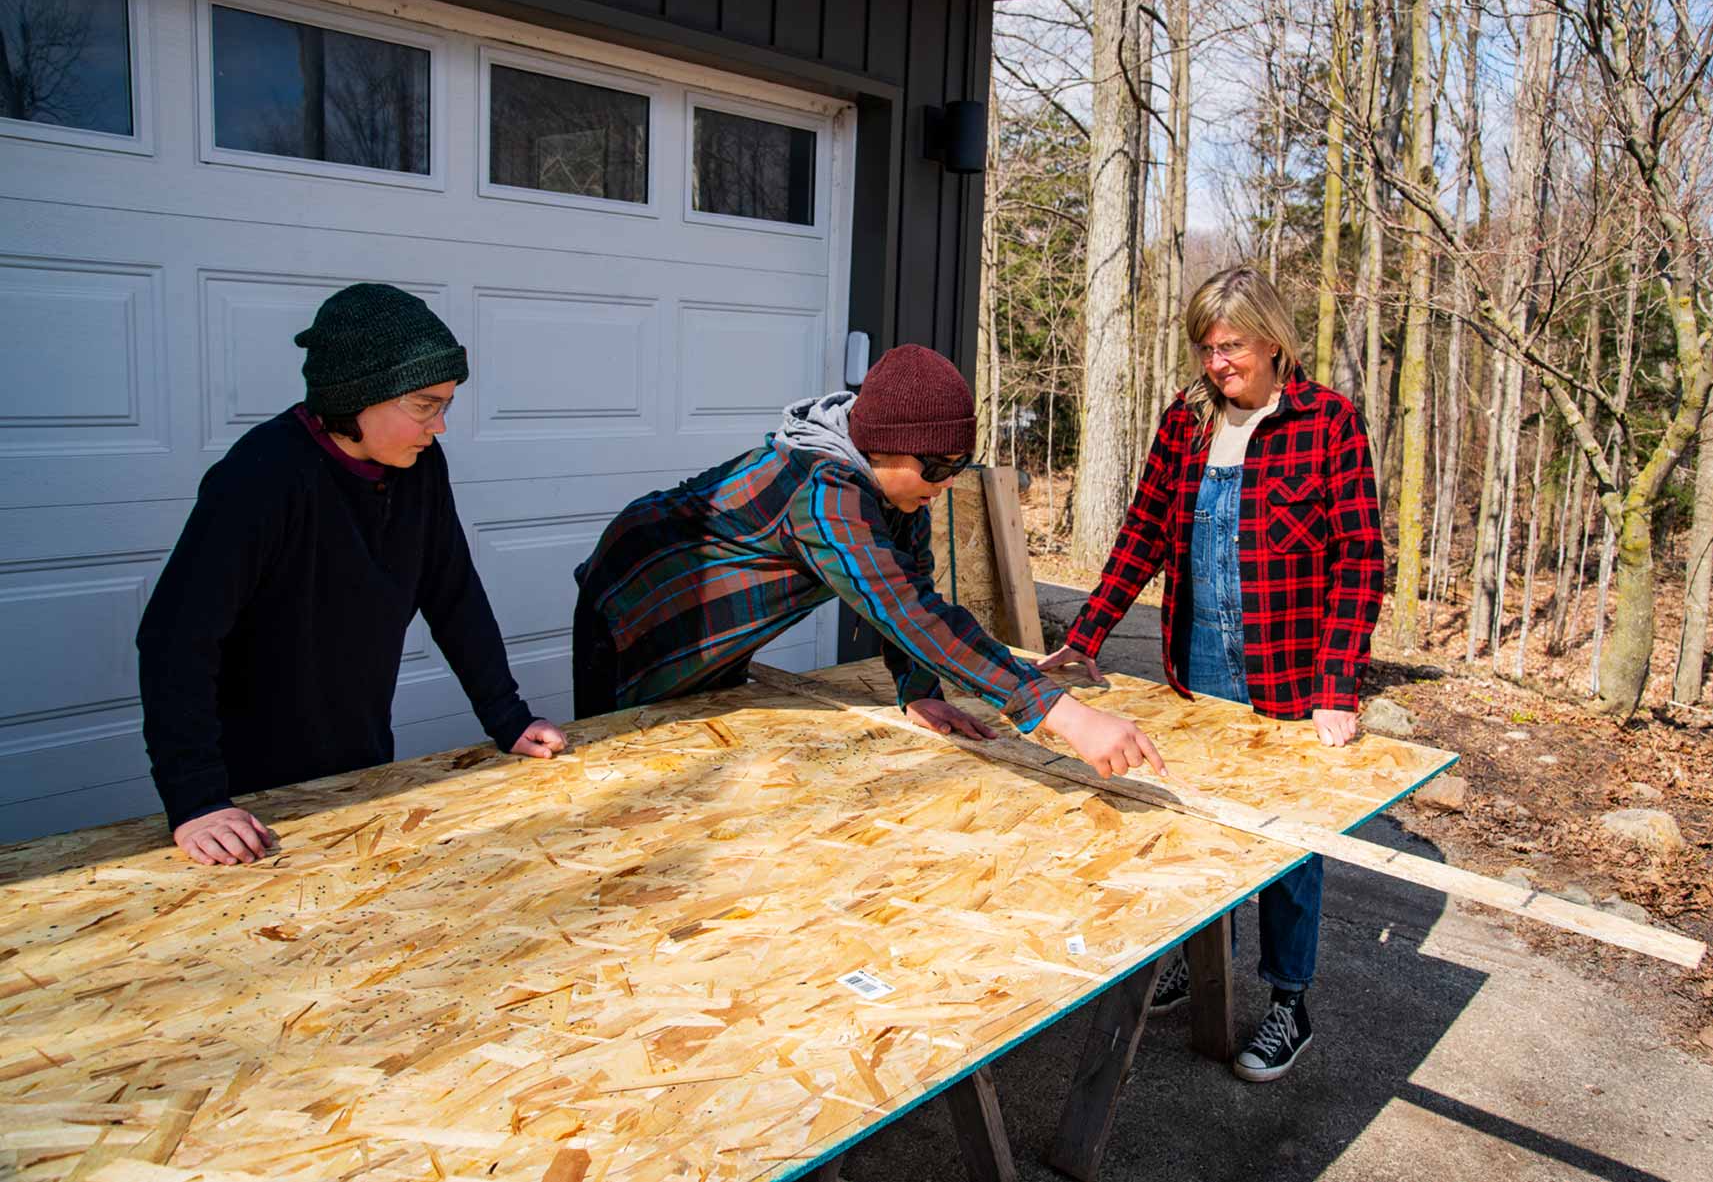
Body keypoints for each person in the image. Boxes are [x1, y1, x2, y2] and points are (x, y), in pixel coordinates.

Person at [1038, 268, 1384, 1082]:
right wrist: (1085, 636)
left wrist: (1337, 686)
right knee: (1196, 819)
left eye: (1231, 346)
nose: (1216, 361)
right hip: (1198, 665)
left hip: (1290, 674)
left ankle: (1287, 1003)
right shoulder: (1186, 422)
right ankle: (1202, 964)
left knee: (1290, 845)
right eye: (1206, 346)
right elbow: (1140, 536)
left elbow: (1361, 561)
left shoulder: (1328, 423)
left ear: (1271, 341)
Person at [572, 344, 1166, 778]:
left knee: (695, 756)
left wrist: (917, 688)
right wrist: (1063, 713)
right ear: (879, 445)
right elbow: (905, 610)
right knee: (622, 773)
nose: (946, 482)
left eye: (958, 465)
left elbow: (911, 584)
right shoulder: (822, 492)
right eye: (934, 467)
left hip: (719, 625)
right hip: (636, 609)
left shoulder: (895, 490)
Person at [137, 283, 568, 866]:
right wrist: (197, 800)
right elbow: (176, 638)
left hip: (361, 762)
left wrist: (507, 717)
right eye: (424, 405)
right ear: (358, 395)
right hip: (250, 797)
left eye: (445, 404)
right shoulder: (261, 476)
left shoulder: (417, 468)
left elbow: (452, 591)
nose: (439, 426)